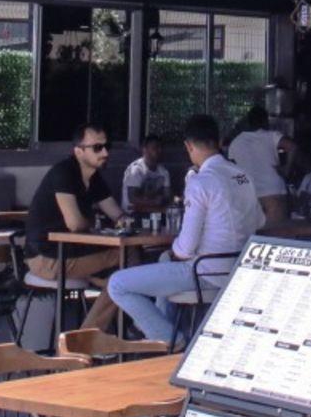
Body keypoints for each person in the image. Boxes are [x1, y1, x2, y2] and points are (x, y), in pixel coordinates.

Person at [107, 113, 263, 345]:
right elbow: (260, 221)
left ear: (188, 146)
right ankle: (163, 333)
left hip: (205, 273)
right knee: (164, 259)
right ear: (219, 142)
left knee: (117, 284)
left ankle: (172, 341)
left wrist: (175, 251)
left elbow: (186, 248)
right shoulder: (243, 176)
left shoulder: (200, 181)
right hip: (239, 268)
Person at [24, 124, 126, 330]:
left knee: (125, 268)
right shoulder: (64, 173)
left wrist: (127, 221)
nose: (105, 153)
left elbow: (117, 214)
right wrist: (95, 224)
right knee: (127, 261)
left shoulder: (94, 178)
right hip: (47, 257)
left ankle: (99, 330)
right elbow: (75, 224)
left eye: (107, 146)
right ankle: (91, 333)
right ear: (79, 151)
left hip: (72, 253)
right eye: (97, 148)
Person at [227, 103, 290, 227]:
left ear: (248, 122)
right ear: (265, 121)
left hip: (250, 194)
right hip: (274, 191)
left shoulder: (235, 142)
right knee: (278, 233)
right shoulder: (271, 136)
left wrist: (243, 185)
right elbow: (292, 147)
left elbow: (233, 172)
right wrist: (286, 169)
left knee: (254, 235)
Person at [121, 132, 175, 217]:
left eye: (161, 148)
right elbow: (132, 199)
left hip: (155, 212)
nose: (159, 151)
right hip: (133, 213)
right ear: (144, 150)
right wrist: (155, 202)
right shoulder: (136, 170)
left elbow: (167, 196)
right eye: (155, 148)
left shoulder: (164, 172)